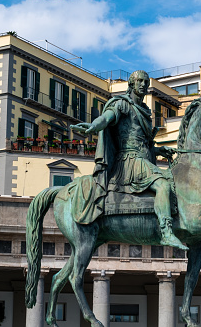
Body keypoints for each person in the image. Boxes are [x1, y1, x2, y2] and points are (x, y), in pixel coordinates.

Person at [71, 70, 187, 250]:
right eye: (139, 81)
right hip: (129, 161)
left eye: (145, 81)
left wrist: (158, 150)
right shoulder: (122, 105)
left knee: (174, 186)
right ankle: (166, 232)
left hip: (143, 160)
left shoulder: (145, 111)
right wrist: (95, 125)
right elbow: (108, 117)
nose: (142, 84)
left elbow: (142, 142)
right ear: (131, 84)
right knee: (163, 185)